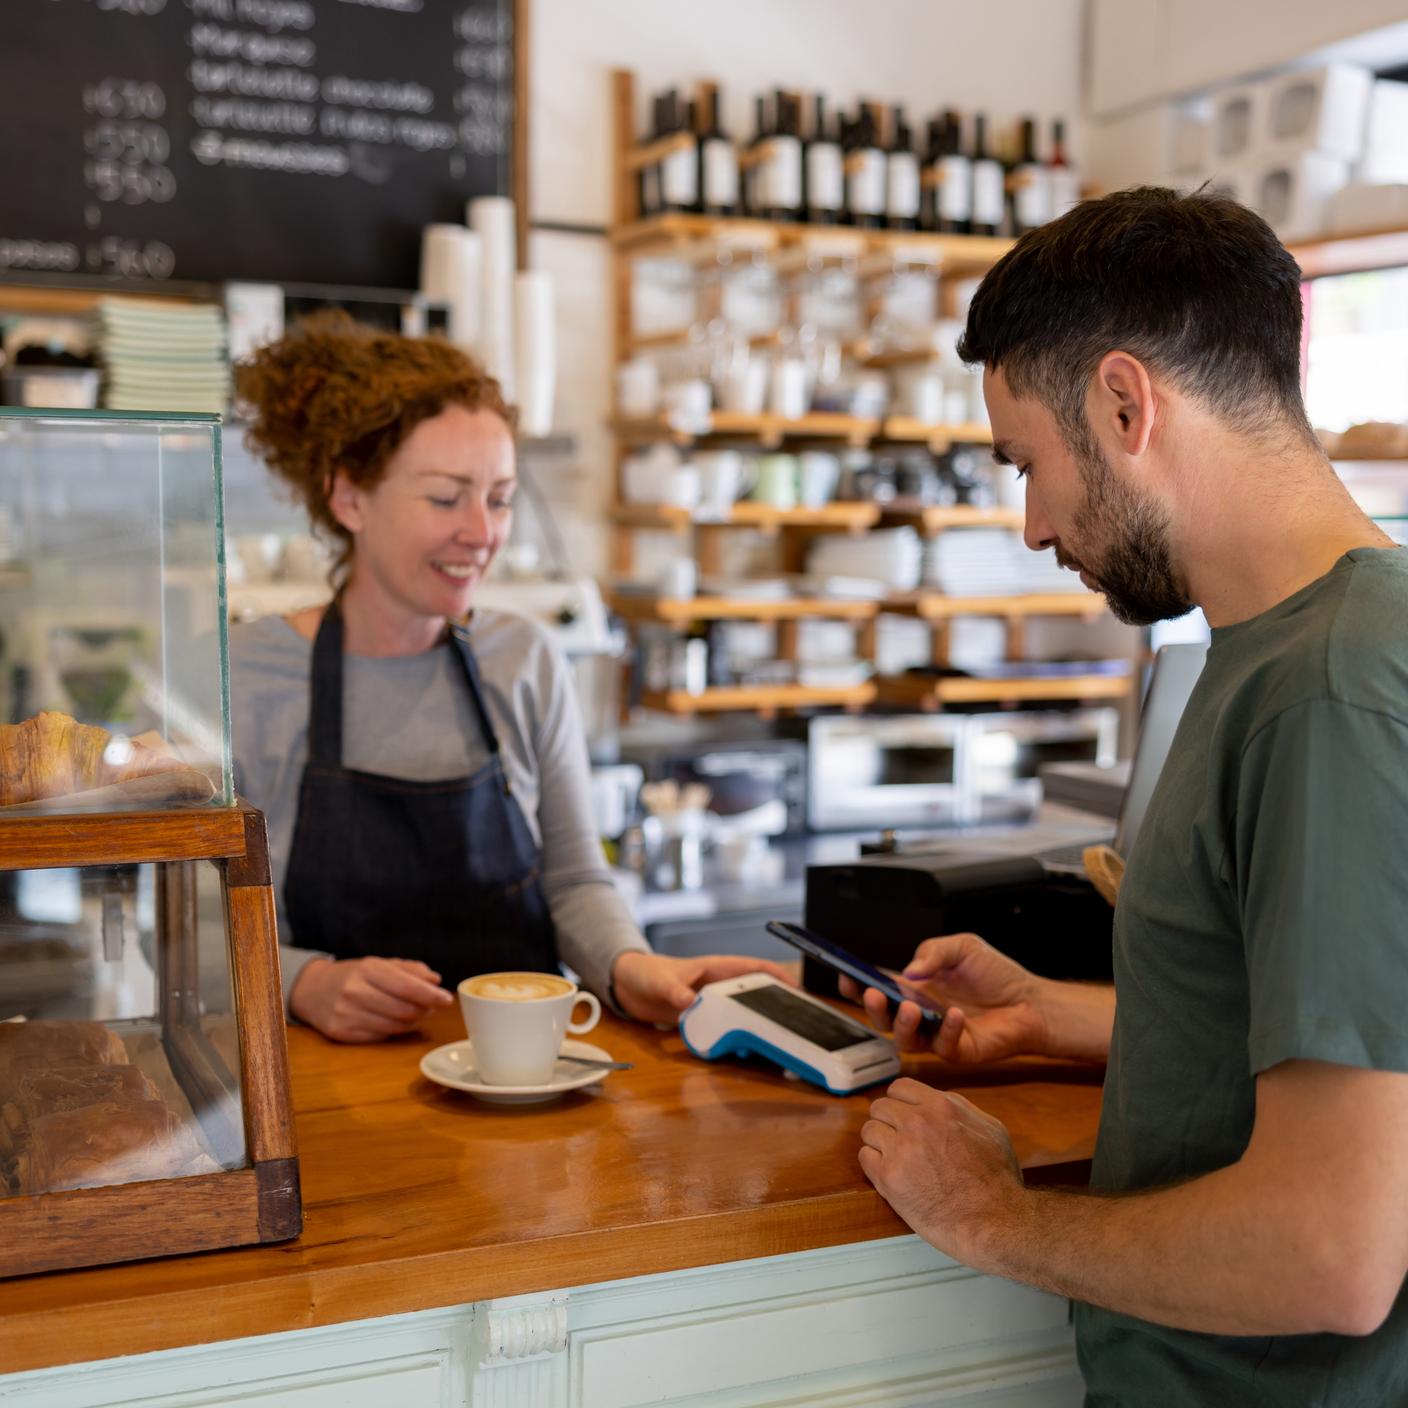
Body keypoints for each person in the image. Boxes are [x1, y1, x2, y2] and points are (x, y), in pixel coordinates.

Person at [846, 188, 1408, 1406]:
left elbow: (1333, 1252)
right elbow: (1340, 1037)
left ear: (1122, 402)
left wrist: (990, 1216)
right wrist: (1067, 1014)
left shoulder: (1330, 691)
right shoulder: (1283, 646)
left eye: (1029, 466)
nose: (1035, 523)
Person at [230, 314, 788, 1043]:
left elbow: (577, 879)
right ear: (349, 498)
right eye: (445, 497)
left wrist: (627, 966)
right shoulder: (249, 674)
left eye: (498, 498)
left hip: (523, 1082)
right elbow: (193, 932)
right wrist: (303, 981)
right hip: (328, 1093)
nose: (483, 532)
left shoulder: (523, 659)